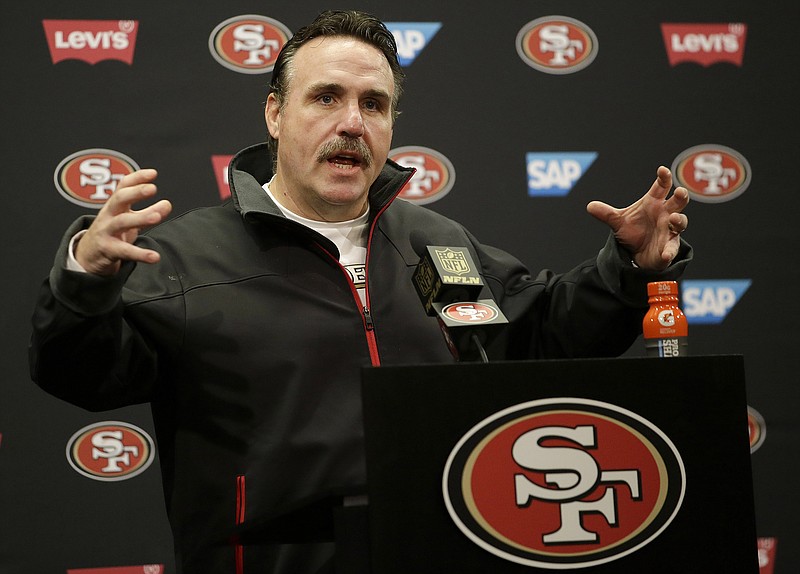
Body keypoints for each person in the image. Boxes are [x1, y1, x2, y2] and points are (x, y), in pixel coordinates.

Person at [29, 9, 691, 574]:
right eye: (326, 98)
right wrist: (83, 283)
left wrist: (627, 269)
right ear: (275, 114)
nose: (353, 122)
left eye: (373, 104)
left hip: (442, 554)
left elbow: (537, 334)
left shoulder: (436, 240)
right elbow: (82, 375)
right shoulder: (182, 258)